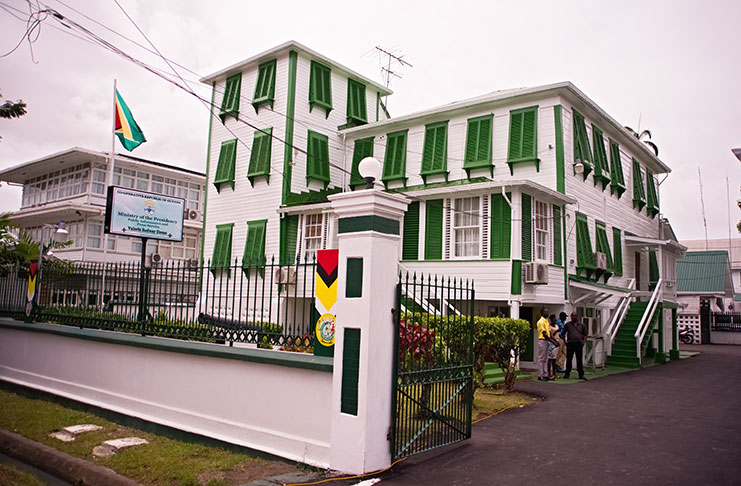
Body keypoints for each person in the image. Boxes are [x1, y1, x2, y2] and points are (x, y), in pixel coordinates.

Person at [536, 308, 559, 381]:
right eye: (546, 312)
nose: (548, 313)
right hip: (542, 340)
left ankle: (545, 374)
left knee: (546, 359)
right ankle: (540, 375)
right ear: (542, 313)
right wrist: (553, 342)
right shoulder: (540, 322)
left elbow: (550, 333)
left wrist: (555, 340)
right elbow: (544, 334)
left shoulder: (546, 321)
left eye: (548, 312)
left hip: (547, 341)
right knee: (541, 358)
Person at [563, 312, 588, 380]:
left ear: (577, 317)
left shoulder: (582, 325)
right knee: (569, 359)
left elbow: (585, 334)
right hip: (570, 343)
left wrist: (584, 342)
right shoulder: (568, 325)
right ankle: (567, 373)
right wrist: (565, 342)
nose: (572, 318)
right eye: (572, 316)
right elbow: (563, 333)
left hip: (579, 344)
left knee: (579, 359)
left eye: (574, 316)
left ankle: (581, 374)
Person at [547, 314, 561, 380]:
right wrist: (556, 331)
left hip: (557, 343)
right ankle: (549, 373)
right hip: (552, 343)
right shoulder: (549, 327)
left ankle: (554, 373)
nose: (555, 320)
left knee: (555, 359)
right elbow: (550, 335)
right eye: (554, 319)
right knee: (550, 359)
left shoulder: (556, 326)